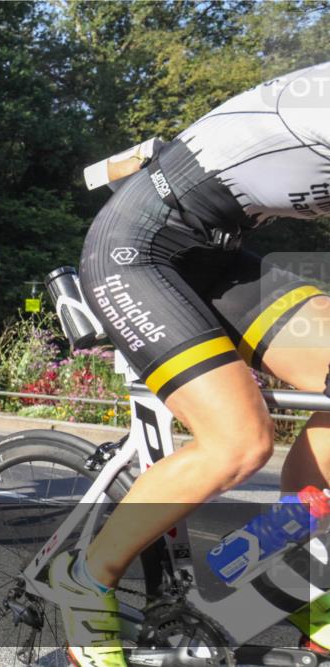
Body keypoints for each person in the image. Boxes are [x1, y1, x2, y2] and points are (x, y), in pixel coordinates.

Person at [50, 61, 330, 667]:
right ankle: (84, 580)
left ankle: (286, 558)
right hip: (137, 248)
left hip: (215, 251)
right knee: (239, 442)